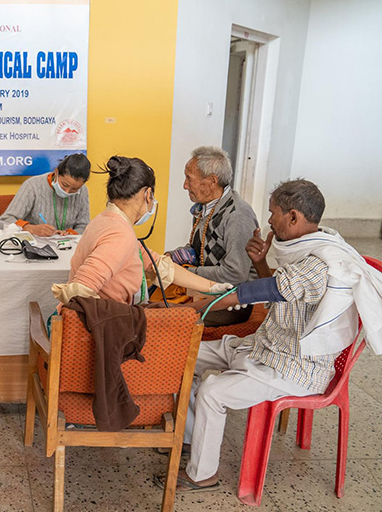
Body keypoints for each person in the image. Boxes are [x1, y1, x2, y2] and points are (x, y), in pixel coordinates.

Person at [166, 179, 382, 493]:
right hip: (265, 346)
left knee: (213, 391)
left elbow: (256, 292)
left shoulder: (319, 264)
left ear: (293, 217)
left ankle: (202, 475)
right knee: (183, 355)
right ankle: (189, 439)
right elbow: (282, 294)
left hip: (294, 367)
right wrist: (260, 263)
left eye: (273, 213)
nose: (268, 221)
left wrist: (189, 309)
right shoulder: (313, 246)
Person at [53, 156, 225, 306]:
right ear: (147, 194)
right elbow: (80, 290)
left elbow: (157, 265)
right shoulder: (119, 235)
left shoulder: (108, 220)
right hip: (100, 326)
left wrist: (213, 287)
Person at [168, 146, 259, 325]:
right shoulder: (206, 207)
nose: (185, 185)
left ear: (212, 181)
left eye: (189, 178)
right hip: (205, 290)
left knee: (163, 317)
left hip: (230, 303)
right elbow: (199, 250)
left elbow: (235, 274)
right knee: (152, 301)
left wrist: (185, 273)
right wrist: (174, 257)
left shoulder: (237, 215)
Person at [0, 153, 91, 236]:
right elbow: (6, 220)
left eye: (74, 189)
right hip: (35, 244)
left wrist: (71, 233)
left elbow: (83, 225)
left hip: (66, 245)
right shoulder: (33, 186)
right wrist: (28, 228)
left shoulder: (82, 191)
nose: (67, 191)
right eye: (64, 185)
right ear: (56, 172)